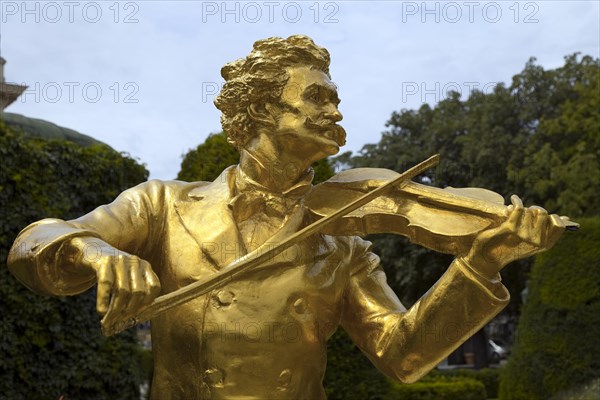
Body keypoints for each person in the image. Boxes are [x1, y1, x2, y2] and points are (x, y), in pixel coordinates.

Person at [8, 35, 568, 399]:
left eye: (335, 99)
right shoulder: (163, 205)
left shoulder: (343, 244)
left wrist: (483, 263)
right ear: (261, 108)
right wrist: (95, 250)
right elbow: (36, 242)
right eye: (319, 98)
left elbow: (403, 355)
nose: (337, 111)